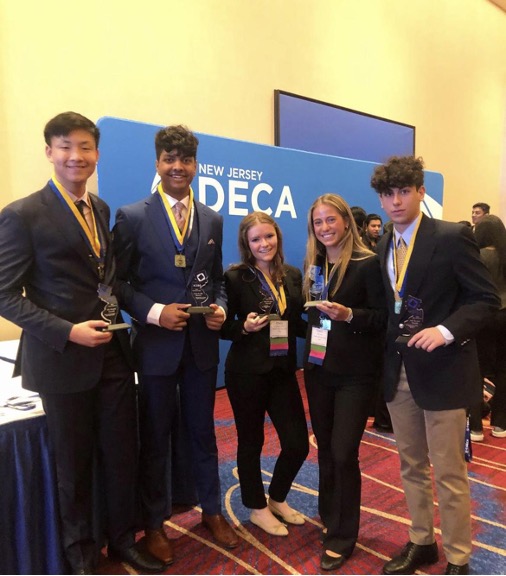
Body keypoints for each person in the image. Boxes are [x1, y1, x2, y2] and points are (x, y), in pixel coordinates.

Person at [0, 112, 163, 575]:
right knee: (74, 468)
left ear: (97, 153)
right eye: (66, 147)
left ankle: (122, 542)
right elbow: (4, 293)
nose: (77, 156)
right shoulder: (22, 214)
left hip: (112, 353)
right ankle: (81, 558)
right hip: (62, 358)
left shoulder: (101, 209)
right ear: (49, 152)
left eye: (86, 147)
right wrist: (66, 331)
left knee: (119, 457)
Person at [113, 124, 239, 566]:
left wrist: (220, 306)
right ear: (158, 164)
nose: (178, 167)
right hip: (155, 348)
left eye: (185, 160)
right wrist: (154, 312)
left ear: (195, 165)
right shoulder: (132, 216)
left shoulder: (213, 219)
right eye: (170, 159)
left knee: (204, 433)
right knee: (156, 436)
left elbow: (217, 279)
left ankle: (210, 510)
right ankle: (155, 525)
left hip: (202, 347)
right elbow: (119, 284)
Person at [370, 156, 500, 576]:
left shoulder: (451, 236)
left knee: (448, 471)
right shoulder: (384, 242)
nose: (395, 201)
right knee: (410, 465)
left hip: (443, 369)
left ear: (421, 192)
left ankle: (459, 557)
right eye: (388, 194)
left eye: (404, 191)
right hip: (400, 371)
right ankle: (422, 541)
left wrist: (445, 330)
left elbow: (485, 299)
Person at [302, 194, 387, 571]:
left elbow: (383, 319)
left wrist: (349, 314)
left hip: (355, 374)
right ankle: (329, 517)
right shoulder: (314, 263)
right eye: (318, 222)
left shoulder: (367, 263)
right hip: (319, 369)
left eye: (330, 220)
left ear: (345, 222)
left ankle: (343, 535)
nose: (325, 228)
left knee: (342, 451)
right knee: (324, 449)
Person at [221, 212, 309, 537]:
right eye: (256, 239)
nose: (263, 244)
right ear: (247, 243)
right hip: (246, 371)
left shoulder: (292, 274)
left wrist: (323, 319)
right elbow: (222, 326)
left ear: (278, 237)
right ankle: (257, 508)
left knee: (298, 443)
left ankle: (277, 498)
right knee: (251, 442)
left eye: (268, 237)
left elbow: (294, 321)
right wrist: (242, 326)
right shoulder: (235, 278)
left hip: (283, 368)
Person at [469, 214, 506, 440]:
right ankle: (500, 424)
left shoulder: (476, 256)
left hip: (481, 317)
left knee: (475, 370)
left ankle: (475, 426)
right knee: (504, 370)